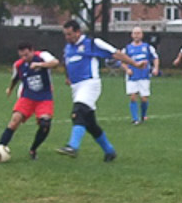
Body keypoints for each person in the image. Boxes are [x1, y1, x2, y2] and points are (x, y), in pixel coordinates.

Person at [56, 19, 143, 161]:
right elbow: (67, 62)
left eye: (70, 34)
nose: (67, 37)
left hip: (90, 83)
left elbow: (116, 53)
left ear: (78, 32)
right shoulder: (68, 47)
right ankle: (109, 151)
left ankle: (73, 146)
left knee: (78, 112)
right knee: (90, 124)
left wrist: (135, 64)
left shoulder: (92, 43)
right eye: (65, 34)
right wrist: (68, 77)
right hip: (76, 87)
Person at [0, 40, 62, 160]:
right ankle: (0, 147)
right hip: (27, 97)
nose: (24, 58)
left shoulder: (42, 56)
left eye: (26, 55)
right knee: (15, 120)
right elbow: (15, 78)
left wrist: (40, 65)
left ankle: (33, 150)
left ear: (32, 51)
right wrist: (10, 89)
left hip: (44, 97)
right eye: (21, 56)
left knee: (45, 125)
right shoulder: (18, 65)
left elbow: (56, 63)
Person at [122, 26, 159, 124]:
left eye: (138, 33)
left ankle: (143, 115)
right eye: (135, 33)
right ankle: (135, 119)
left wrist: (155, 68)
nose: (136, 35)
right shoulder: (127, 48)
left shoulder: (148, 47)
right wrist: (127, 69)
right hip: (132, 76)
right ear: (131, 35)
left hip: (144, 76)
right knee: (133, 97)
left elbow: (155, 58)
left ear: (142, 35)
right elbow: (122, 61)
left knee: (144, 98)